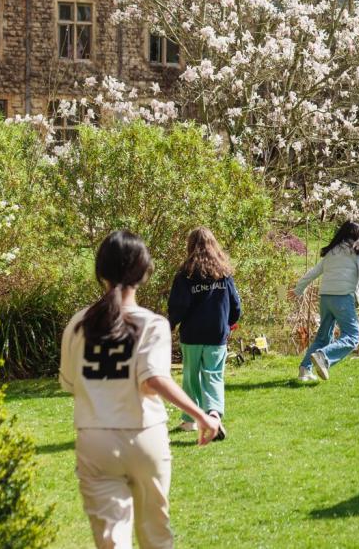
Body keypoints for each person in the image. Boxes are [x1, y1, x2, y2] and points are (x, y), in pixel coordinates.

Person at [60, 230, 220, 549]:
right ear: (144, 272)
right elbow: (152, 379)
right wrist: (203, 415)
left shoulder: (78, 324)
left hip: (95, 440)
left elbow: (69, 383)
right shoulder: (151, 324)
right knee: (156, 535)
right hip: (144, 436)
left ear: (99, 272)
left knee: (112, 541)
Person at [167, 227, 240, 438]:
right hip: (217, 334)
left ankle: (190, 421)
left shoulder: (185, 275)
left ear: (190, 246)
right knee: (214, 376)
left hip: (192, 335)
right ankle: (214, 415)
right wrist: (229, 324)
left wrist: (170, 324)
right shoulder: (224, 275)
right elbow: (235, 306)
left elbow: (178, 307)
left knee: (191, 377)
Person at [293, 220, 359, 382]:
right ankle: (323, 356)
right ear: (358, 235)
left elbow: (313, 272)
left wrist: (298, 289)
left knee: (323, 338)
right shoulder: (357, 251)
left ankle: (305, 370)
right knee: (353, 336)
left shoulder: (331, 252)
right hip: (343, 298)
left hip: (325, 298)